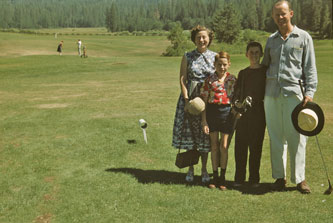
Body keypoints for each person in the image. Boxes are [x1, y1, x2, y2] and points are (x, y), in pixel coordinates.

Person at [262, 0, 318, 194]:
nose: (280, 17)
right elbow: (265, 66)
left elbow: (310, 68)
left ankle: (300, 179)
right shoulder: (271, 39)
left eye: (283, 13)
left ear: (291, 13)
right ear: (273, 17)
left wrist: (309, 93)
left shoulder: (303, 38)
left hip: (296, 95)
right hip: (271, 95)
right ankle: (279, 177)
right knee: (276, 136)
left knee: (298, 137)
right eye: (276, 14)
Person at [172, 25, 216, 183]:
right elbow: (183, 79)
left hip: (208, 102)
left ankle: (204, 170)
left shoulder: (215, 57)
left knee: (205, 137)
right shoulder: (187, 56)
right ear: (194, 39)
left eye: (204, 37)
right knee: (190, 136)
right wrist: (186, 100)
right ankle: (190, 169)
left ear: (209, 39)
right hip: (190, 100)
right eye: (198, 37)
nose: (201, 40)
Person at [233, 42, 267, 188]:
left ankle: (254, 179)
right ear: (246, 54)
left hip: (259, 115)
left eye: (257, 52)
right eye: (251, 52)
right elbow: (236, 93)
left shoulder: (266, 72)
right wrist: (237, 106)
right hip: (243, 116)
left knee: (255, 147)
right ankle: (239, 178)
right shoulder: (243, 73)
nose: (254, 55)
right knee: (240, 146)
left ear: (261, 54)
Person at [201, 51, 236, 190]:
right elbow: (204, 101)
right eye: (219, 64)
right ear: (214, 64)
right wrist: (204, 121)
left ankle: (223, 177)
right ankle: (214, 176)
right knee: (214, 146)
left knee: (224, 146)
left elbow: (237, 98)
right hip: (212, 113)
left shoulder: (233, 79)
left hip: (227, 113)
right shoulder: (209, 80)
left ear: (229, 64)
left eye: (224, 64)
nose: (222, 67)